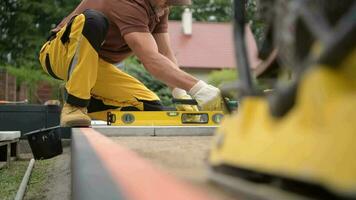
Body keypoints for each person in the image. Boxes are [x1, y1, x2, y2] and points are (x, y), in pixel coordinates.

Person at [38, 0, 222, 127]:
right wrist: (199, 88)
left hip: (95, 66)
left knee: (149, 108)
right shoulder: (127, 3)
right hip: (59, 54)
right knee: (93, 21)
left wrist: (179, 92)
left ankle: (89, 103)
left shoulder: (158, 9)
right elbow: (150, 59)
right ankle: (75, 105)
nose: (168, 5)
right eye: (167, 0)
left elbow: (165, 54)